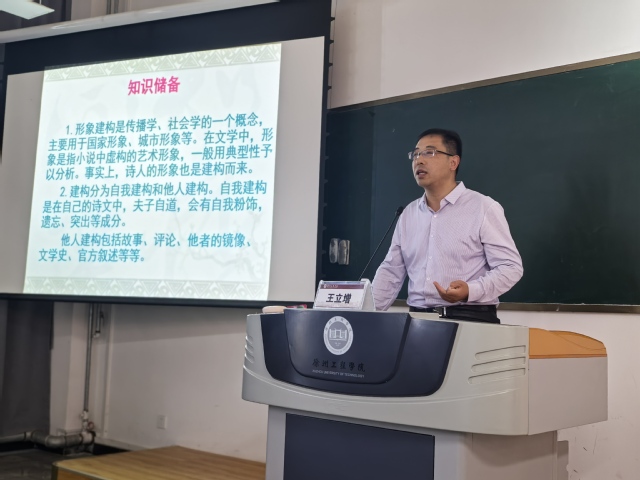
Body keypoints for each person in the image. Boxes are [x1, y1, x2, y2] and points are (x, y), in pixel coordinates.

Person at [371, 128, 523, 323]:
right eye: (415, 154)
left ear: (453, 162)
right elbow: (391, 271)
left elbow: (510, 268)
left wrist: (471, 290)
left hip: (470, 319)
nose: (419, 160)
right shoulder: (408, 214)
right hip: (417, 321)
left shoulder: (483, 208)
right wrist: (363, 314)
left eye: (429, 152)